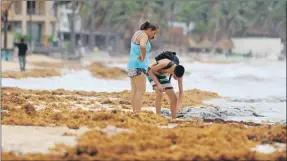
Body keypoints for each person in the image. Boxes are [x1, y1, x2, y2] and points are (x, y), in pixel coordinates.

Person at [127, 20, 159, 113]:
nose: (154, 35)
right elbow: (142, 46)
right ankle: (137, 112)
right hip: (139, 66)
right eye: (154, 32)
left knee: (134, 90)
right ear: (149, 29)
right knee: (141, 90)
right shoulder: (144, 35)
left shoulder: (137, 33)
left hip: (131, 64)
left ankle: (134, 111)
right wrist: (143, 56)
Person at [147, 51, 185, 118]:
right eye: (175, 77)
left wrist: (178, 106)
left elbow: (181, 92)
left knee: (174, 99)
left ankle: (173, 118)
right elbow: (150, 71)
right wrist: (158, 84)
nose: (177, 79)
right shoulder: (165, 63)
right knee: (159, 92)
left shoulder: (180, 73)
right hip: (151, 73)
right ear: (173, 72)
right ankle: (158, 116)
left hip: (161, 74)